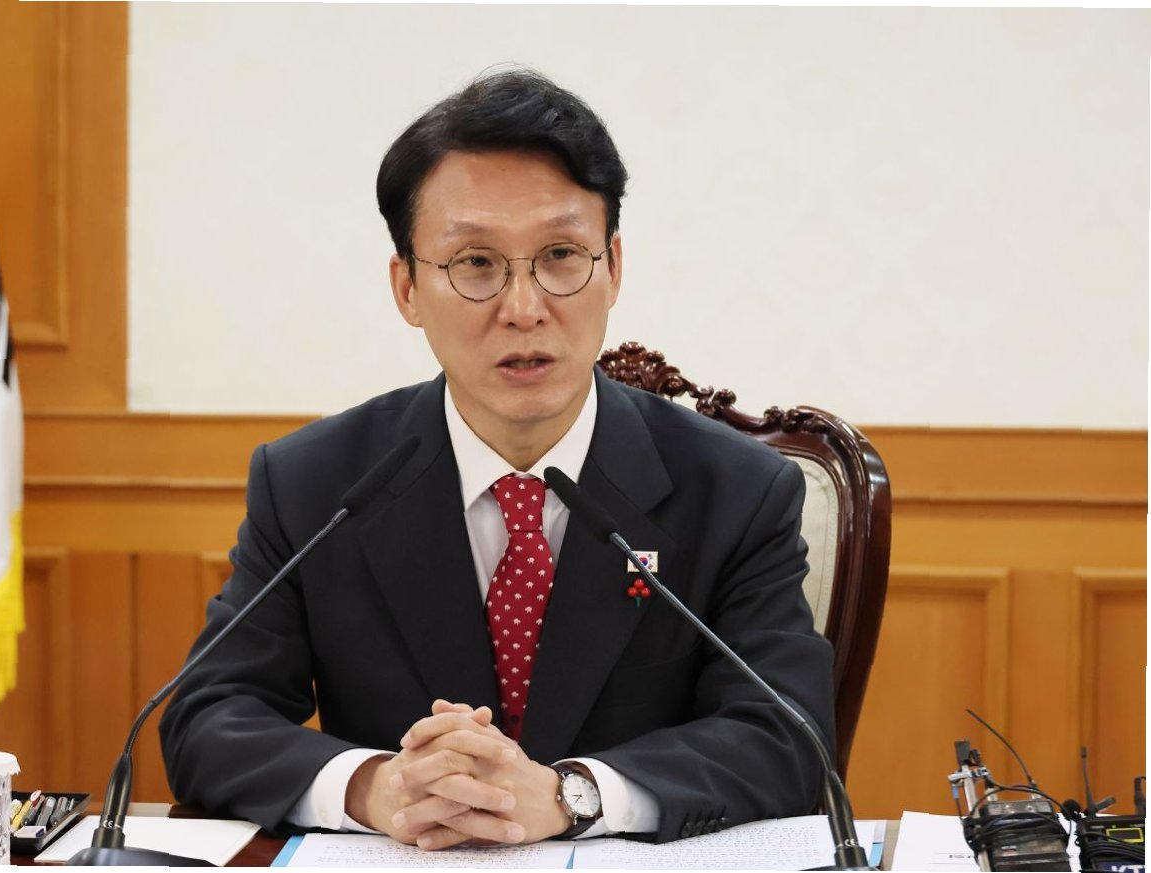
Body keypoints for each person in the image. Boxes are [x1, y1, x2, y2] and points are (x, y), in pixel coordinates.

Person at [159, 67, 835, 848]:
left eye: (561, 254)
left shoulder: (736, 490)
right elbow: (208, 717)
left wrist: (572, 793)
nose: (524, 308)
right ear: (407, 288)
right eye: (476, 263)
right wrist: (376, 786)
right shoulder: (316, 483)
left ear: (613, 267)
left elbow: (786, 734)